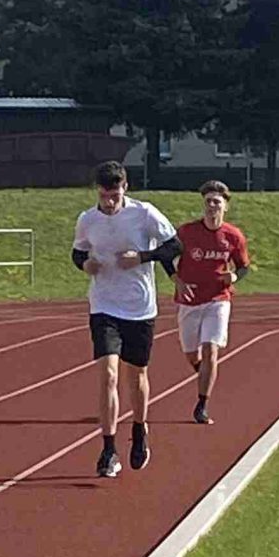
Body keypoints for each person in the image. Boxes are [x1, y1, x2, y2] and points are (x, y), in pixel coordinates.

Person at [72, 160, 178, 477]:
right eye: (104, 196)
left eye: (115, 195)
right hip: (104, 305)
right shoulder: (87, 220)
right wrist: (85, 265)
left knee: (137, 375)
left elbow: (174, 245)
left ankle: (140, 429)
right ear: (98, 191)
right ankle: (108, 449)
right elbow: (78, 252)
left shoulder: (144, 214)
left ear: (125, 188)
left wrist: (142, 257)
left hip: (139, 307)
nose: (110, 202)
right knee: (108, 374)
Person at [172, 178, 251, 423]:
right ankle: (203, 371)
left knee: (211, 348)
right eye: (208, 201)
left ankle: (202, 404)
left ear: (225, 206)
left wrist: (234, 276)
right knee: (191, 353)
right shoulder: (186, 232)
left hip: (218, 299)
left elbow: (243, 266)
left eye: (217, 202)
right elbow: (166, 255)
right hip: (189, 300)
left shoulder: (233, 236)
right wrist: (177, 279)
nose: (212, 206)